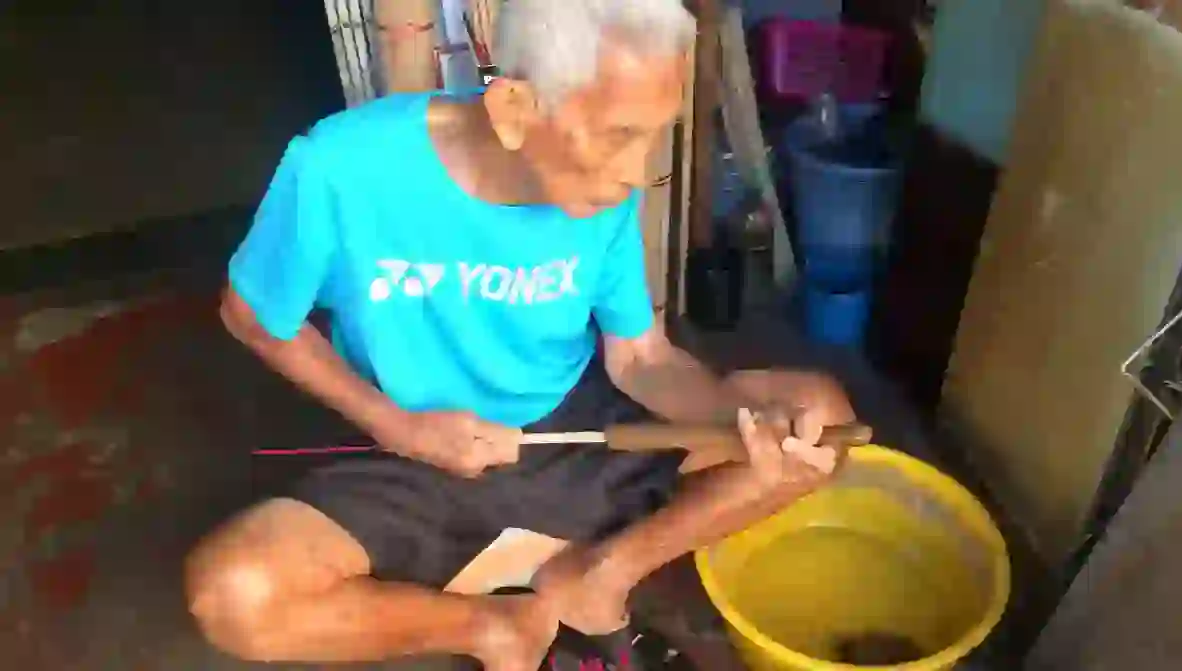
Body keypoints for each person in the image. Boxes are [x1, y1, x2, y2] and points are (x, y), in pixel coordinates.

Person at [184, 1, 856, 670]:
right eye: (620, 134)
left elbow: (641, 357)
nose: (635, 171)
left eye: (653, 136)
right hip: (414, 452)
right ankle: (493, 625)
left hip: (577, 432)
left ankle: (601, 574)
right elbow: (251, 315)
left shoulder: (604, 192)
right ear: (513, 110)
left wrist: (743, 423)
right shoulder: (340, 167)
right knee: (234, 594)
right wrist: (396, 426)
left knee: (819, 418)